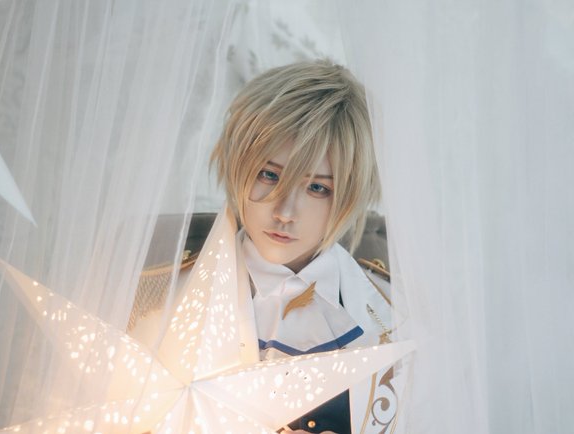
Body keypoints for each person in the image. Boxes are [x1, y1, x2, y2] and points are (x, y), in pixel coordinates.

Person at [133, 60, 399, 434]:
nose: (285, 212)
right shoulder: (155, 299)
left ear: (350, 194)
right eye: (269, 174)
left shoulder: (394, 310)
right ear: (238, 164)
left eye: (317, 187)